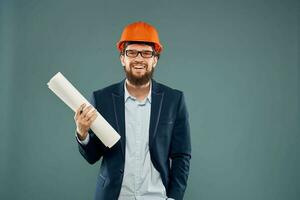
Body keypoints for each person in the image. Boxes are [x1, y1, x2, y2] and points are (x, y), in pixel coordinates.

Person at [74, 21, 191, 200]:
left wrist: (174, 197)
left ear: (155, 60)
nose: (138, 59)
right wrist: (82, 133)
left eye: (146, 53)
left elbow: (181, 155)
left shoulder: (174, 100)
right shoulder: (102, 99)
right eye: (131, 52)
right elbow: (93, 156)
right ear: (123, 58)